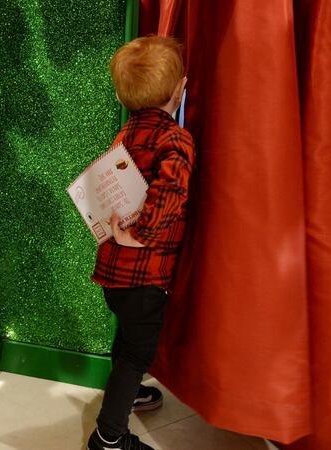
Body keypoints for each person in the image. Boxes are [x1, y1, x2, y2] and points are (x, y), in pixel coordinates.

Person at [88, 36, 194, 450]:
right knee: (136, 354)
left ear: (121, 93)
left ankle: (127, 394)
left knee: (126, 341)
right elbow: (170, 194)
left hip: (113, 274)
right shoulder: (176, 140)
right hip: (145, 276)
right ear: (179, 89)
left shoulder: (125, 133)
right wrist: (141, 235)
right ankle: (109, 438)